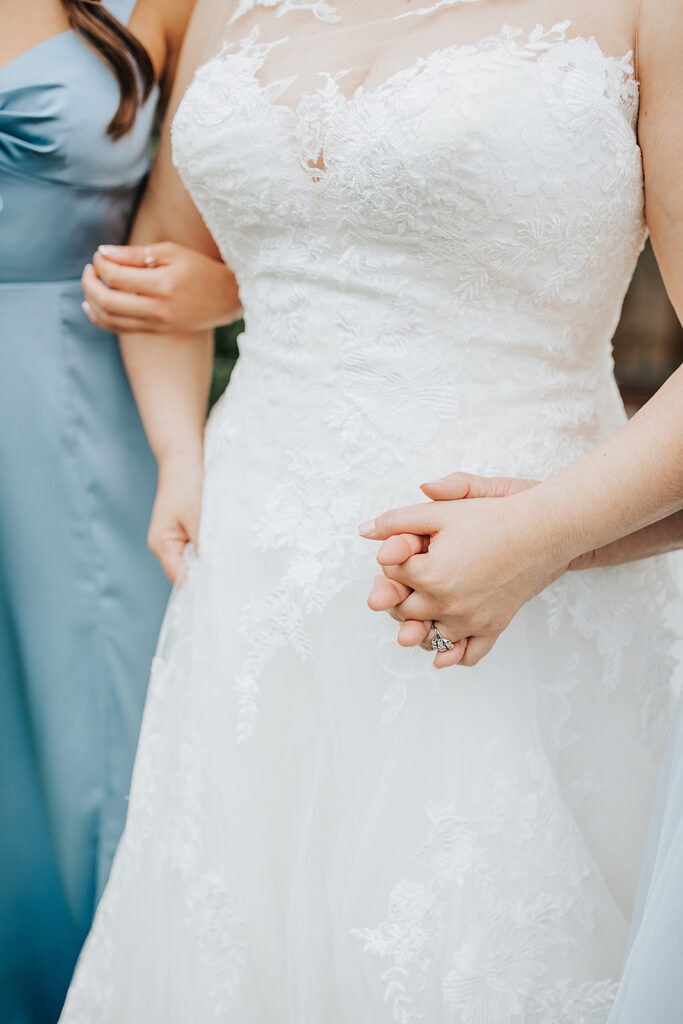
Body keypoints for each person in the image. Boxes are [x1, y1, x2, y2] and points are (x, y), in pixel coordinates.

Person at [60, 0, 682, 1020]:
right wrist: (179, 453)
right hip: (250, 589)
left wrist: (544, 531)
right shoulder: (225, 8)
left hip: (517, 593)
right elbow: (163, 254)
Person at [0, 1, 238, 1020]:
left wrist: (223, 293)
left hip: (77, 405)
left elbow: (290, 237)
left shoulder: (175, 5)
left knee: (98, 745)